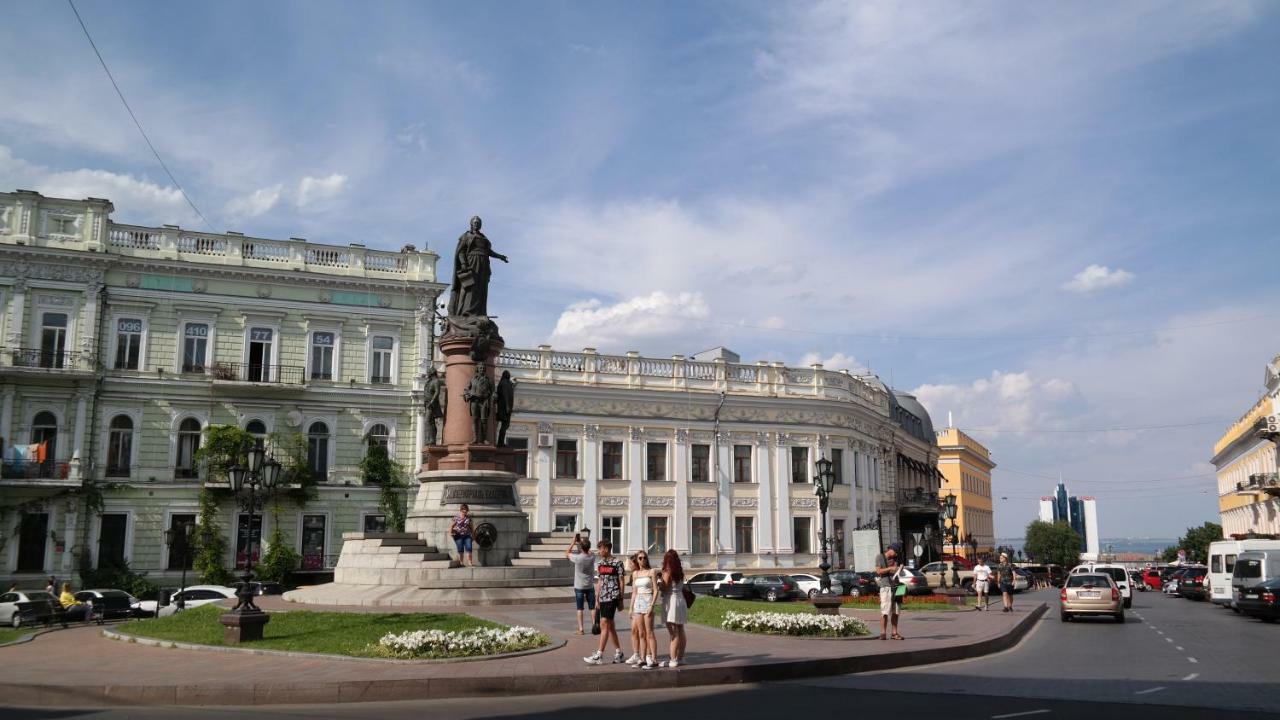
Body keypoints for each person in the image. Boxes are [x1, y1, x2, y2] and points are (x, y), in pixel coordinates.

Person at [584, 539, 625, 665]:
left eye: (600, 549)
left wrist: (621, 599)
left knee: (604, 623)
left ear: (606, 549)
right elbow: (600, 581)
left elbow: (622, 581)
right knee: (611, 626)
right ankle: (619, 653)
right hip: (602, 597)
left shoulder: (618, 563)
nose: (599, 551)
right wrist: (597, 598)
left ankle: (599, 655)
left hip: (612, 596)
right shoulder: (600, 563)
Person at [628, 550, 659, 669]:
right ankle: (642, 658)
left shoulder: (652, 571)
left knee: (649, 632)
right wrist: (630, 608)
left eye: (644, 558)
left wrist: (652, 605)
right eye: (640, 558)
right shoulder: (635, 573)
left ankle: (653, 658)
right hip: (638, 604)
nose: (642, 560)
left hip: (648, 601)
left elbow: (656, 590)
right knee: (641, 633)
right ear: (637, 560)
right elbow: (634, 592)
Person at [659, 549, 688, 668]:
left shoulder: (667, 571)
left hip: (671, 601)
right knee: (680, 629)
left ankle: (673, 659)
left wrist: (658, 581)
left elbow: (664, 588)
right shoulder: (680, 572)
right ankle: (680, 657)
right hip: (681, 600)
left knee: (673, 632)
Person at [566, 533, 596, 635]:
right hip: (590, 585)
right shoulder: (592, 557)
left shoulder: (577, 558)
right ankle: (594, 627)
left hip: (579, 586)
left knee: (580, 608)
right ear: (589, 547)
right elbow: (589, 551)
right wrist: (581, 544)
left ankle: (581, 629)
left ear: (582, 548)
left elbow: (567, 553)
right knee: (592, 607)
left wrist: (574, 542)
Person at [874, 542, 904, 640]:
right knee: (885, 611)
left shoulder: (897, 559)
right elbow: (878, 571)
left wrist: (900, 569)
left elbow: (899, 571)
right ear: (891, 550)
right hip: (886, 586)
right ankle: (883, 633)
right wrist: (890, 568)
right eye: (896, 552)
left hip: (898, 586)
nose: (896, 555)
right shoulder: (880, 557)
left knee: (896, 611)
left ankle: (894, 633)